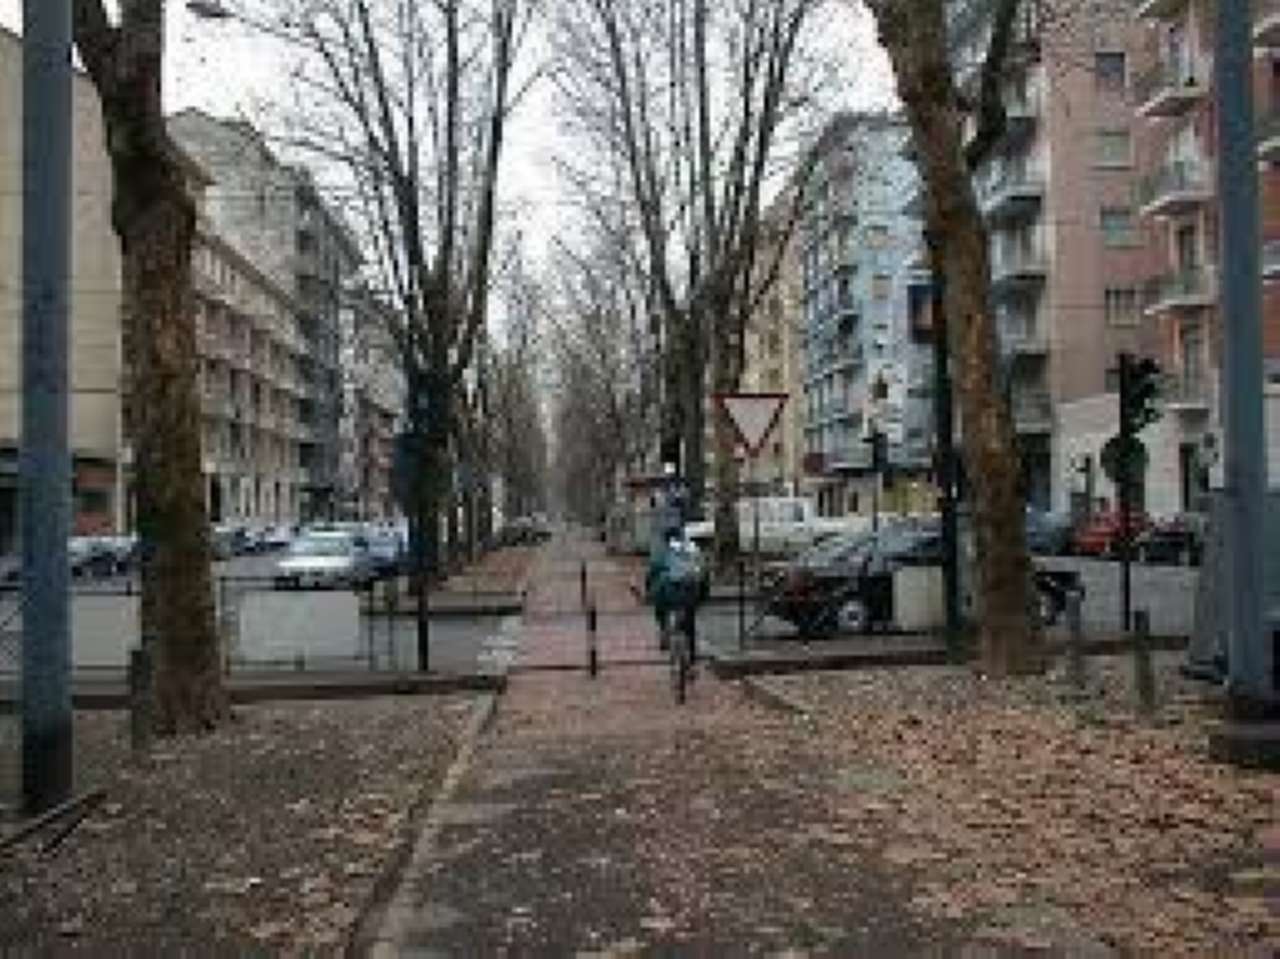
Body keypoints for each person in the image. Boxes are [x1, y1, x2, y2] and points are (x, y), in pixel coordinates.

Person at [645, 524, 703, 659]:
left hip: (668, 595)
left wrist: (648, 591)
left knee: (660, 606)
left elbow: (651, 573)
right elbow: (702, 573)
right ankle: (692, 656)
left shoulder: (662, 553)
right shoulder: (692, 550)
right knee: (690, 623)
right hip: (690, 593)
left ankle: (664, 629)